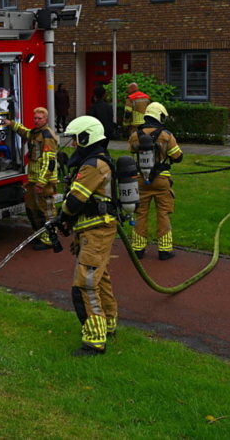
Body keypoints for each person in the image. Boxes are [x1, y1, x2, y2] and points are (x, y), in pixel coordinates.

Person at [59, 115, 117, 356]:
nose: (73, 144)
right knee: (100, 279)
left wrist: (62, 215)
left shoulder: (93, 165)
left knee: (85, 284)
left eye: (76, 139)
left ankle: (94, 341)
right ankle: (108, 324)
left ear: (86, 137)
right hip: (94, 228)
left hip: (97, 231)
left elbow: (74, 202)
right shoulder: (96, 160)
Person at [127, 102, 183, 260]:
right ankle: (165, 250)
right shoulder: (166, 135)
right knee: (163, 213)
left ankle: (138, 249)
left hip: (141, 179)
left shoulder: (135, 135)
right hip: (161, 180)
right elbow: (177, 157)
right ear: (160, 116)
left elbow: (131, 150)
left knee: (141, 213)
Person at [0, 107, 59, 250]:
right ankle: (40, 235)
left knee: (45, 211)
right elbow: (26, 133)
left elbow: (49, 163)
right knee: (32, 209)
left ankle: (50, 239)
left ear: (46, 119)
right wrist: (12, 124)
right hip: (34, 181)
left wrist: (41, 183)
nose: (36, 121)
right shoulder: (36, 133)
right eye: (35, 118)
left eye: (40, 118)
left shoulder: (47, 136)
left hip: (43, 182)